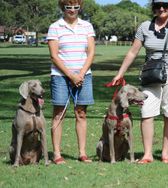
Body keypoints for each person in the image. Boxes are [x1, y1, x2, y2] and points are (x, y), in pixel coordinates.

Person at [111, 0, 168, 164]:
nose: (161, 9)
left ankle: (165, 153)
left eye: (165, 5)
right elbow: (133, 52)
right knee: (146, 111)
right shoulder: (144, 27)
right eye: (157, 6)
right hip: (151, 74)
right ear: (153, 8)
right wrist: (120, 74)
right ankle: (147, 154)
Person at [47, 0, 95, 164]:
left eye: (76, 7)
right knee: (59, 113)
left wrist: (80, 73)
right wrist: (70, 75)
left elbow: (91, 52)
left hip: (84, 75)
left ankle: (82, 153)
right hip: (60, 76)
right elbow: (54, 56)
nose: (73, 10)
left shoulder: (87, 26)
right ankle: (57, 154)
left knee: (81, 113)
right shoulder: (55, 27)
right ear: (63, 8)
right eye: (69, 7)